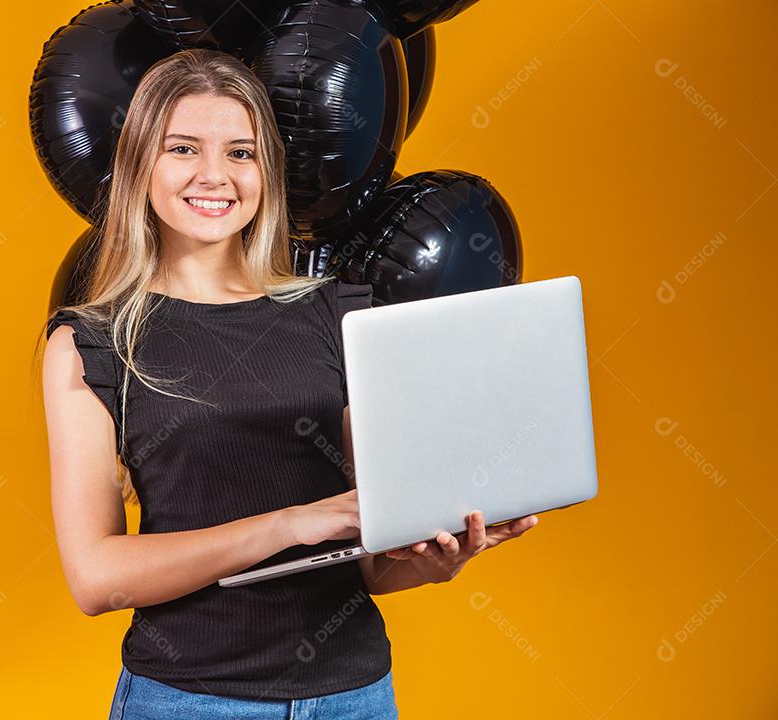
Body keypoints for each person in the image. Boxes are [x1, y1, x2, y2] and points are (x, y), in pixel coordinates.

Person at [38, 48, 538, 720]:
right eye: (183, 148)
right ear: (139, 166)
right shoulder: (91, 342)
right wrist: (290, 524)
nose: (215, 175)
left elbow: (369, 559)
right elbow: (96, 578)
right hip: (191, 702)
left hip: (355, 698)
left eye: (240, 153)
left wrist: (434, 559)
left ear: (266, 172)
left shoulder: (336, 313)